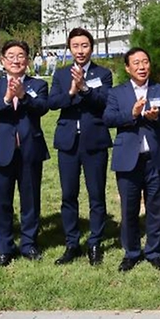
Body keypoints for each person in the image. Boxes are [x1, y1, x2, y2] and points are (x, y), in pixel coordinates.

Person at [104, 48, 160, 272]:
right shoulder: (117, 93)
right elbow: (108, 118)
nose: (142, 67)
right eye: (136, 63)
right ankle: (132, 253)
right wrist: (133, 113)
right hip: (128, 158)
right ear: (127, 68)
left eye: (145, 62)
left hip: (155, 158)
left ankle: (154, 252)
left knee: (156, 208)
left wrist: (159, 116)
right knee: (129, 208)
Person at [0, 40, 50, 267]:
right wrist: (7, 99)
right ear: (2, 61)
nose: (16, 60)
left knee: (30, 200)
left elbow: (42, 108)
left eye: (21, 55)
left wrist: (24, 96)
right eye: (11, 56)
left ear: (28, 61)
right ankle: (4, 248)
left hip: (30, 149)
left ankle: (29, 244)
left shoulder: (38, 84)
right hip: (1, 150)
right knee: (1, 202)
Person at [48, 28, 113, 266]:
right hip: (68, 142)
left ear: (91, 48)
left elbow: (104, 102)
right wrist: (72, 91)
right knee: (69, 195)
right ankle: (72, 243)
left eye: (84, 45)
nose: (80, 50)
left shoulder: (103, 73)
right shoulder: (61, 75)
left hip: (94, 141)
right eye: (75, 46)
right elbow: (53, 102)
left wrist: (85, 88)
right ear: (70, 48)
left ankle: (95, 242)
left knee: (96, 195)